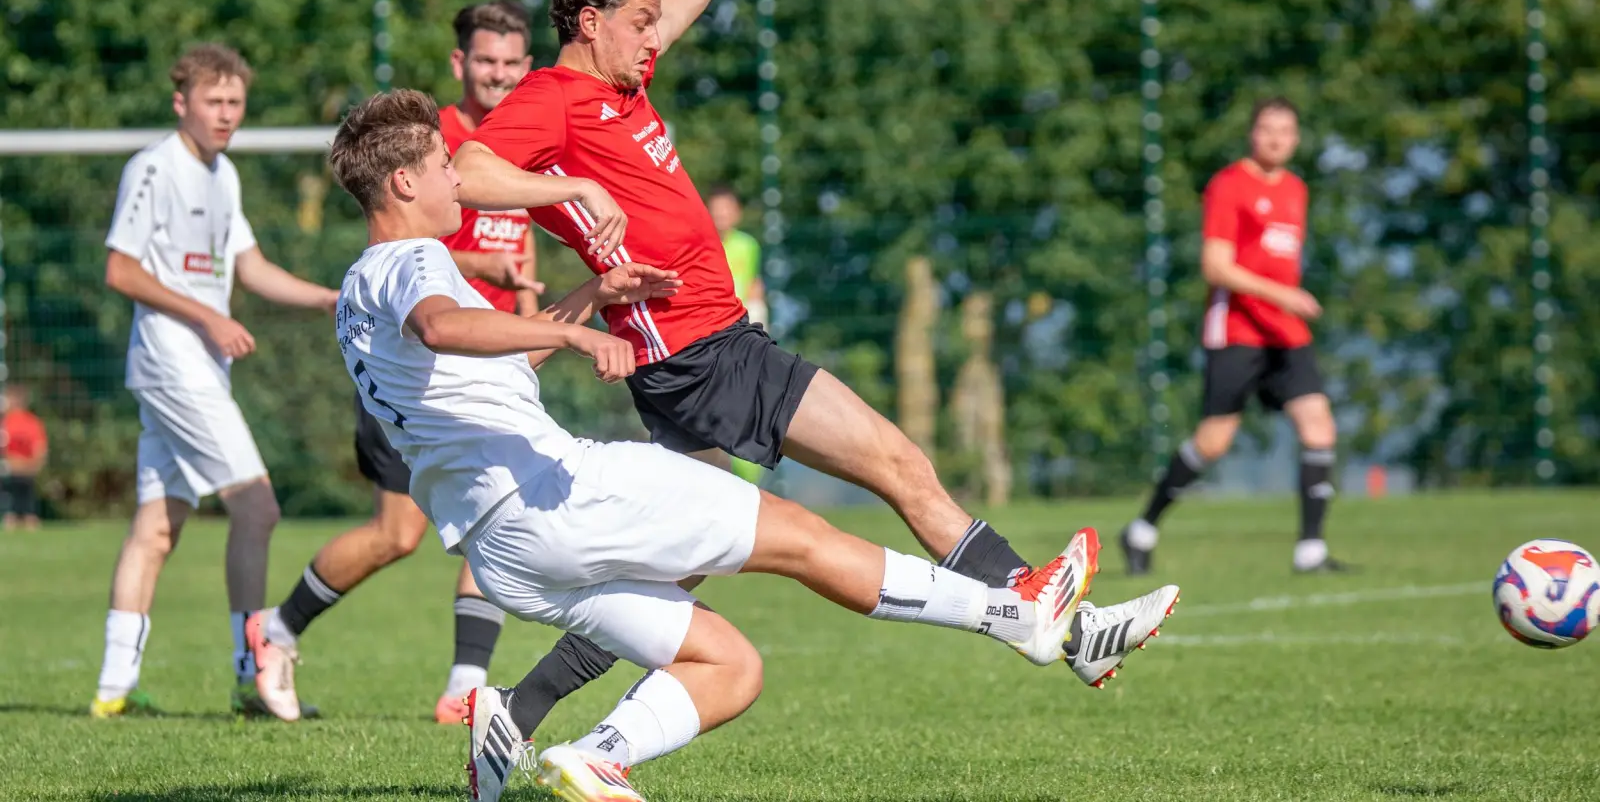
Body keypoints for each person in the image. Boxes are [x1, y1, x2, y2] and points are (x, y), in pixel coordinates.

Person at [320, 88, 1179, 802]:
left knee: (728, 664)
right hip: (561, 493)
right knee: (804, 539)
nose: (455, 180)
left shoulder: (357, 298)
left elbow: (486, 358)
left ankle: (594, 754)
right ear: (401, 182)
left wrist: (590, 295)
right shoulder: (414, 266)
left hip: (503, 548)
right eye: (440, 167)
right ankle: (1023, 617)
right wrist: (584, 340)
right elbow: (442, 327)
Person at [451, 0, 1174, 738]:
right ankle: (1046, 615)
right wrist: (572, 191)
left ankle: (515, 709)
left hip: (696, 353)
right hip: (701, 349)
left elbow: (672, 10)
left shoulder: (621, 80)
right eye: (639, 24)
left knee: (680, 569)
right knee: (897, 463)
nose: (657, 39)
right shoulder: (554, 98)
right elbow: (468, 172)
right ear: (590, 22)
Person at [247, 0, 548, 724]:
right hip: (418, 360)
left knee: (502, 497)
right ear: (461, 64)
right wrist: (484, 268)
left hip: (486, 366)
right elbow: (409, 251)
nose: (499, 75)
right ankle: (277, 628)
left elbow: (524, 254)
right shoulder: (426, 146)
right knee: (397, 534)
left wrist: (539, 330)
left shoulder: (530, 144)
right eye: (486, 62)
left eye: (511, 63)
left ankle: (462, 687)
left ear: (527, 67)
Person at [92, 44, 341, 719]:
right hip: (173, 362)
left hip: (198, 368)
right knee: (258, 507)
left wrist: (326, 298)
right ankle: (251, 674)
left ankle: (113, 691)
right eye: (213, 102)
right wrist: (207, 315)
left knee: (158, 527)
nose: (226, 115)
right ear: (183, 103)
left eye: (235, 103)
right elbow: (121, 270)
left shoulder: (222, 174)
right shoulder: (154, 167)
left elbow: (251, 267)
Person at [1121, 97, 1346, 576]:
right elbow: (1216, 266)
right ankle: (1142, 529)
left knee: (1319, 426)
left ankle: (1311, 552)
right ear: (1252, 133)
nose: (1276, 139)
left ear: (1297, 138)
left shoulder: (1295, 190)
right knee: (1213, 443)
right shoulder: (1229, 186)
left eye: (1286, 130)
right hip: (1238, 331)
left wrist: (1285, 304)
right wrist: (1280, 295)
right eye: (1267, 129)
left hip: (1285, 333)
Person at [705, 185, 766, 484]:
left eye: (727, 209)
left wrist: (759, 323)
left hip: (740, 333)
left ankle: (750, 482)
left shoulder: (748, 245)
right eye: (715, 210)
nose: (721, 216)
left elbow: (754, 283)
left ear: (737, 213)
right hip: (706, 336)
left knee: (744, 404)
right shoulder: (700, 244)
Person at [1, 384, 48, 532]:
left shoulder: (6, 422)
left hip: (12, 468)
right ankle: (29, 520)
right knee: (28, 503)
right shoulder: (33, 422)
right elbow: (40, 449)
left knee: (12, 504)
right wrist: (36, 465)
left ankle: (13, 519)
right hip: (27, 469)